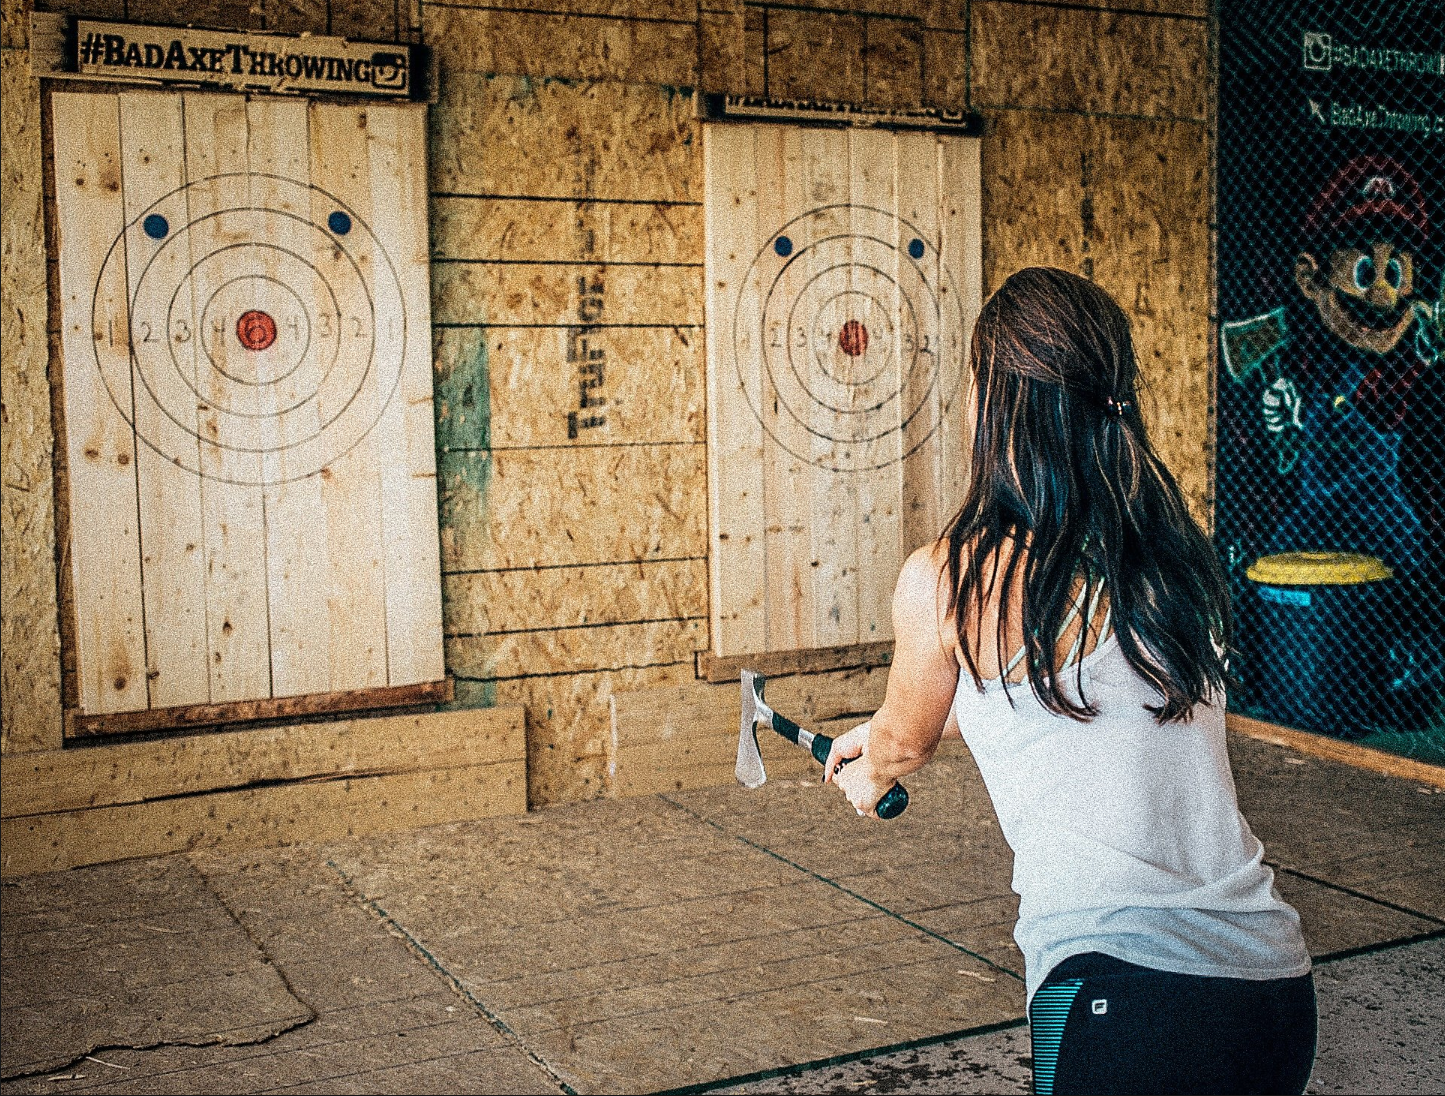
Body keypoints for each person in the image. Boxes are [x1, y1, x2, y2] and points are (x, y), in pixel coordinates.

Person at [824, 268, 1317, 1096]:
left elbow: (902, 743)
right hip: (1271, 989)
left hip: (1122, 990)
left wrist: (870, 771)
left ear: (997, 401)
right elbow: (1065, 700)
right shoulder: (1170, 561)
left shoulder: (951, 576)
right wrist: (885, 735)